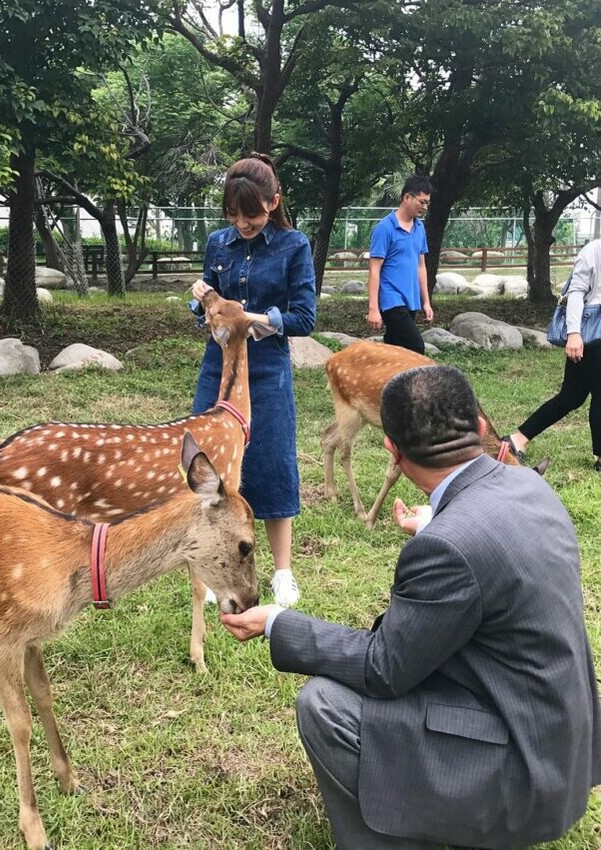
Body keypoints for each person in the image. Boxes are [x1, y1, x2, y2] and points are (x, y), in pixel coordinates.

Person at [221, 364, 601, 850]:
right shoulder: (531, 488)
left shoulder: (448, 547)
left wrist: (277, 621)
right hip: (561, 759)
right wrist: (441, 519)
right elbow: (489, 555)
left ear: (392, 450)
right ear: (482, 430)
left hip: (521, 787)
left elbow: (383, 668)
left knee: (325, 706)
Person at [190, 153, 316, 608]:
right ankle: (210, 570)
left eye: (252, 214)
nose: (242, 223)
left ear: (273, 203)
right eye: (233, 214)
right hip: (217, 368)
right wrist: (201, 298)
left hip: (266, 371)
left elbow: (305, 317)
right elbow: (207, 305)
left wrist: (253, 319)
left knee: (272, 464)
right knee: (209, 468)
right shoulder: (218, 243)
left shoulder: (293, 246)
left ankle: (283, 571)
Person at [505, 237, 601, 471]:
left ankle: (517, 439)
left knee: (571, 396)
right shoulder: (594, 251)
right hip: (592, 332)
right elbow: (576, 293)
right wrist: (574, 333)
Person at [366, 175, 434, 353]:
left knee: (396, 349)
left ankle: (384, 380)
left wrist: (426, 302)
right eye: (422, 202)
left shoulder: (419, 228)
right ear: (407, 198)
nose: (425, 207)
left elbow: (421, 266)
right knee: (416, 347)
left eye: (427, 203)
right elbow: (374, 269)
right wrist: (373, 308)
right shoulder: (385, 228)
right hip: (391, 300)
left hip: (410, 299)